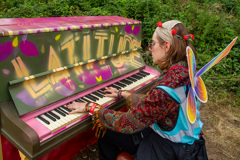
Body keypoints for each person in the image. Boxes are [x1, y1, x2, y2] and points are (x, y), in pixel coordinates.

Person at [67, 20, 208, 160]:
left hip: (169, 150)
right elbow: (158, 105)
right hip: (177, 141)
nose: (150, 48)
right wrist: (123, 94)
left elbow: (127, 122)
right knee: (107, 132)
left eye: (152, 43)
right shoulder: (184, 71)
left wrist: (90, 107)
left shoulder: (168, 87)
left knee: (109, 130)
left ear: (166, 46)